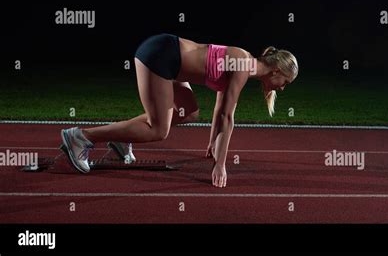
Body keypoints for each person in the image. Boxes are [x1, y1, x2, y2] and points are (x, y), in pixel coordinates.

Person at [60, 33, 298, 187]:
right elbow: (227, 116)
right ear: (276, 71)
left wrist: (212, 142)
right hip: (161, 56)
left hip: (168, 56)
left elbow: (219, 110)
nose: (283, 88)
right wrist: (220, 164)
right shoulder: (244, 65)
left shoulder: (243, 63)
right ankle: (81, 137)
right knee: (158, 129)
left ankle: (121, 141)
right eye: (285, 82)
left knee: (189, 111)